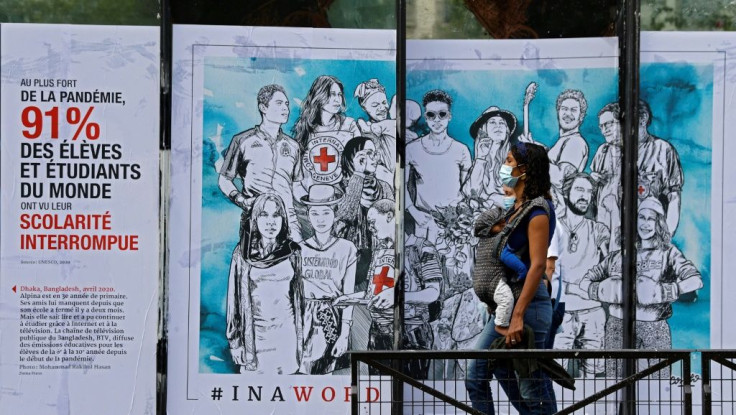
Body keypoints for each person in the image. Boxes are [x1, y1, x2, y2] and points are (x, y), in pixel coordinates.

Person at [466, 142, 557, 415]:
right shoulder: (513, 209)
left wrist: (517, 316)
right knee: (500, 377)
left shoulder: (538, 211)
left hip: (527, 307)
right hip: (506, 307)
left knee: (531, 385)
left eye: (509, 160)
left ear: (524, 170)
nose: (504, 166)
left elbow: (538, 265)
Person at [580, 197, 702, 377]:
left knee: (659, 385)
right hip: (617, 325)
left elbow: (695, 280)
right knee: (615, 384)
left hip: (654, 326)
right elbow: (586, 280)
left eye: (651, 219)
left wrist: (662, 292)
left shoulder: (668, 252)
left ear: (659, 222)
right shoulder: (619, 255)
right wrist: (602, 290)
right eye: (641, 218)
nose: (645, 224)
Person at [225, 193, 302, 375]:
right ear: (255, 219)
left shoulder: (293, 252)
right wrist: (235, 342)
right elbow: (233, 299)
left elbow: (300, 299)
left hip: (287, 338)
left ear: (283, 220)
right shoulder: (242, 254)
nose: (270, 222)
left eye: (276, 215)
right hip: (255, 339)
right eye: (264, 215)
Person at [219, 84, 302, 242]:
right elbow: (224, 179)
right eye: (279, 103)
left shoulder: (293, 146)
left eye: (287, 104)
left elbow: (296, 186)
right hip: (256, 218)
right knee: (255, 264)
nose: (286, 108)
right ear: (263, 107)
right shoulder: (242, 140)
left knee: (296, 262)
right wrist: (241, 200)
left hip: (289, 220)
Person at [551, 172, 610, 378]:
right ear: (566, 193)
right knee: (556, 373)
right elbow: (545, 271)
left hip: (592, 312)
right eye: (579, 190)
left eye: (589, 192)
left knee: (592, 377)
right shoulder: (553, 228)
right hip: (561, 311)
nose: (585, 196)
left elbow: (611, 264)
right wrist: (573, 288)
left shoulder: (598, 230)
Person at [297, 184, 358, 374]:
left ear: (335, 213)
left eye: (326, 212)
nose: (320, 219)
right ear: (308, 215)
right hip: (302, 317)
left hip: (331, 317)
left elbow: (348, 295)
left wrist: (344, 334)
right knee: (301, 373)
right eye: (315, 213)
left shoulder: (347, 249)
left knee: (325, 371)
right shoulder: (299, 249)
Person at [405, 89, 471, 243]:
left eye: (442, 114)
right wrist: (413, 212)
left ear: (449, 117)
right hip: (423, 220)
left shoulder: (461, 150)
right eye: (431, 115)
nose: (436, 120)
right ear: (426, 118)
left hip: (455, 223)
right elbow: (401, 185)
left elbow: (467, 189)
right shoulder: (412, 149)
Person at [519, 89, 589, 215]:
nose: (568, 114)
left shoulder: (575, 142)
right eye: (564, 109)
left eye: (573, 110)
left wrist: (534, 156)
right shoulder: (563, 141)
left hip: (559, 214)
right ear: (558, 112)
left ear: (581, 117)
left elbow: (561, 178)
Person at [294, 75, 360, 200]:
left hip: (343, 196)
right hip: (314, 199)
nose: (337, 100)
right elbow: (299, 171)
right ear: (319, 95)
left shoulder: (349, 125)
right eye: (332, 94)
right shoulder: (305, 129)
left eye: (339, 95)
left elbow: (359, 162)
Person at [403, 213, 443, 379]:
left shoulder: (423, 248)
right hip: (387, 332)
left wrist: (399, 297)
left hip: (416, 330)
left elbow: (433, 292)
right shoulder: (385, 248)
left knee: (416, 389)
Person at [636, 99, 684, 237]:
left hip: (651, 234)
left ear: (643, 118)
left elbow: (674, 197)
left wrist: (667, 235)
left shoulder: (663, 150)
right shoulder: (613, 152)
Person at [463, 106, 516, 206]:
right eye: (492, 122)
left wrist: (493, 199)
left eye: (502, 123)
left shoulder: (514, 160)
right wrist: (480, 158)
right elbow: (471, 193)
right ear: (483, 129)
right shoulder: (478, 162)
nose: (498, 126)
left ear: (507, 131)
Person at [591, 102, 623, 251]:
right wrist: (594, 179)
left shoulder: (636, 152)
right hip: (604, 222)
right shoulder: (602, 151)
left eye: (609, 124)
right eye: (602, 126)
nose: (605, 130)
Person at [354, 78, 396, 185]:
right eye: (375, 105)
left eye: (384, 102)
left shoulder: (391, 124)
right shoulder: (359, 131)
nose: (382, 108)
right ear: (364, 107)